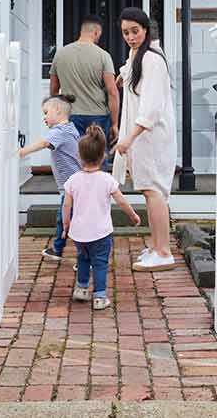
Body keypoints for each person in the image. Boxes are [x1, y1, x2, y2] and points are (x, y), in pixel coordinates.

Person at [113, 7, 178, 272]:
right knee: (149, 191)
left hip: (151, 136)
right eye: (126, 32)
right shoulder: (138, 55)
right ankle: (157, 245)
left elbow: (151, 107)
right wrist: (121, 76)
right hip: (144, 136)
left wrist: (128, 138)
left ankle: (164, 252)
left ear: (146, 30)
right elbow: (128, 70)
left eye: (135, 31)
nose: (130, 36)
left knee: (154, 191)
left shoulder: (152, 59)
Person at [62, 124, 141, 310]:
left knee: (82, 259)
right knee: (100, 263)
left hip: (79, 232)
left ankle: (81, 289)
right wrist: (133, 215)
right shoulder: (107, 180)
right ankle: (99, 296)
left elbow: (66, 205)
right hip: (101, 232)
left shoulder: (73, 180)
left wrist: (66, 225)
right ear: (103, 156)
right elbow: (122, 202)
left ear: (79, 157)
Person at [18, 95, 81, 261]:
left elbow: (44, 143)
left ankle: (83, 258)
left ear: (58, 110)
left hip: (72, 187)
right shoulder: (69, 128)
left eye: (46, 112)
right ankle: (59, 249)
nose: (44, 117)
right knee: (68, 219)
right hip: (73, 186)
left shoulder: (60, 131)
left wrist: (23, 151)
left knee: (72, 221)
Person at [50, 15, 120, 145]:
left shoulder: (60, 54)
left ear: (82, 31)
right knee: (97, 159)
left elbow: (53, 90)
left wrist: (57, 115)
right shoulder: (103, 56)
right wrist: (114, 123)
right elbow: (112, 92)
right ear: (96, 32)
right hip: (97, 116)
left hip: (70, 115)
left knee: (73, 158)